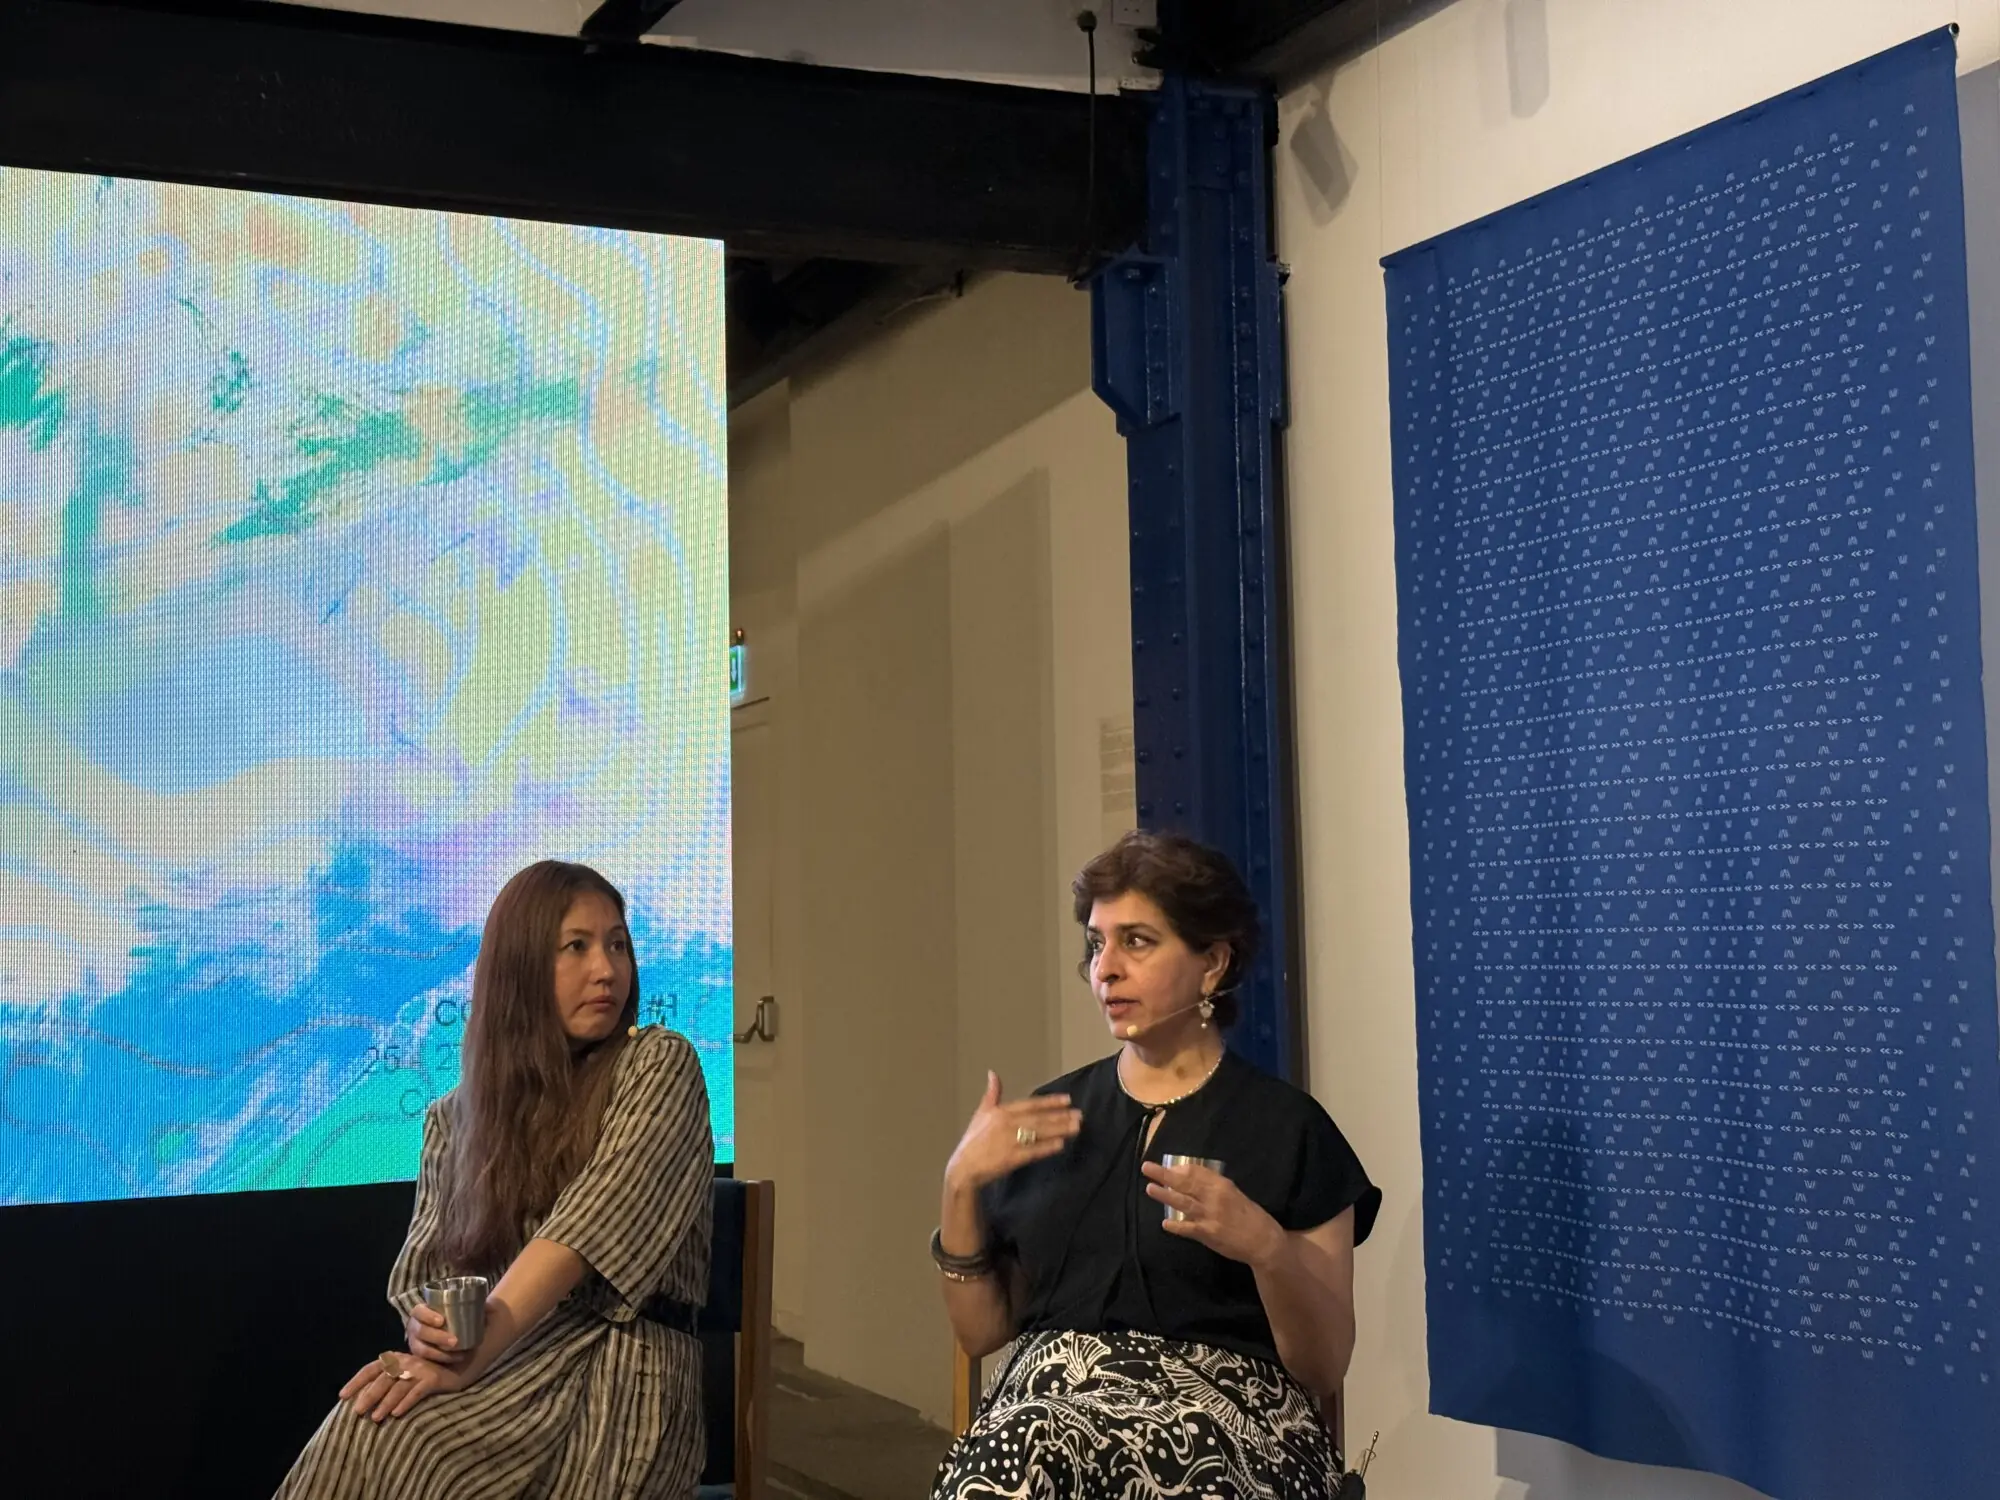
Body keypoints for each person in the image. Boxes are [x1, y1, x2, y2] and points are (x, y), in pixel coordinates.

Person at [932, 831, 1381, 1500]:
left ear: (1212, 964)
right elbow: (982, 1334)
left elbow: (1321, 1366)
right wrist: (960, 1184)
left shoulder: (1289, 1130)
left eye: (1136, 941)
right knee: (1019, 1446)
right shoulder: (1052, 1117)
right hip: (1047, 1416)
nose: (1104, 968)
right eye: (1096, 944)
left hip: (1226, 1428)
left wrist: (1266, 1248)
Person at [275, 860, 714, 1500]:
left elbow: (589, 1226)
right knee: (364, 1423)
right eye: (577, 947)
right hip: (506, 1368)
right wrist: (433, 1331)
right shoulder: (456, 1118)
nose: (607, 970)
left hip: (622, 1371)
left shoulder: (658, 1065)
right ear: (521, 968)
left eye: (617, 944)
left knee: (413, 1448)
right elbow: (425, 1275)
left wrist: (474, 1358)